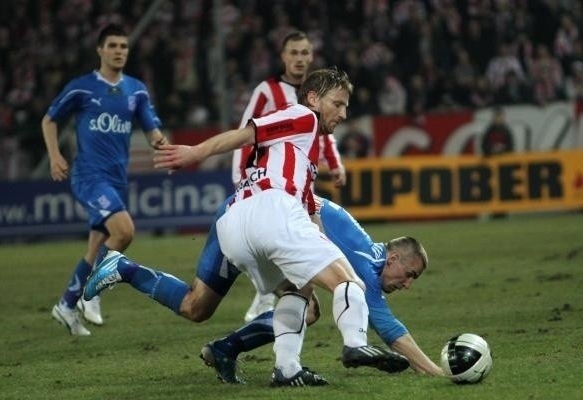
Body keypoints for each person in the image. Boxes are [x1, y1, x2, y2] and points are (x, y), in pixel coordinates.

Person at [86, 68, 409, 387]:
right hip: (271, 211)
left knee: (284, 292)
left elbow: (311, 217)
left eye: (345, 106)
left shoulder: (301, 161)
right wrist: (194, 153)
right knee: (348, 282)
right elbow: (247, 133)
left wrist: (321, 252)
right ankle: (354, 343)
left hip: (236, 224)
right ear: (313, 98)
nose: (343, 113)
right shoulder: (303, 116)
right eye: (337, 104)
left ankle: (286, 368)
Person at [84, 194, 441, 384]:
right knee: (308, 304)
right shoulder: (365, 264)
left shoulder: (369, 252)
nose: (407, 285)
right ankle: (279, 367)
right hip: (255, 223)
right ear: (393, 257)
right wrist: (434, 372)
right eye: (408, 274)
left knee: (196, 307)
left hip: (252, 224)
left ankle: (127, 270)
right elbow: (389, 330)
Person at [42, 24, 168, 336]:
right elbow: (49, 119)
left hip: (116, 179)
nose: (119, 51)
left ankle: (67, 304)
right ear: (100, 50)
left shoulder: (136, 90)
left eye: (123, 46)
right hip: (89, 176)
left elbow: (152, 131)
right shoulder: (82, 87)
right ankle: (92, 294)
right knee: (124, 231)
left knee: (97, 245)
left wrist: (164, 146)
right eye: (112, 45)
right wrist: (55, 156)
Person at [231, 31, 347, 323]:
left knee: (299, 240)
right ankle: (269, 295)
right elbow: (247, 132)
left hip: (300, 180)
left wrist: (335, 163)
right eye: (293, 53)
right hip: (265, 184)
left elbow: (323, 135)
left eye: (304, 53)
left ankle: (280, 300)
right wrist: (241, 175)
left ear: (311, 56)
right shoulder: (267, 91)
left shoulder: (321, 93)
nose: (299, 59)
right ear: (283, 57)